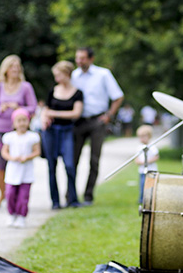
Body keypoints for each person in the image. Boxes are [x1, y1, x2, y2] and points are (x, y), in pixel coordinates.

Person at [71, 47, 124, 206]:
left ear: (91, 59)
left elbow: (118, 96)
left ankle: (88, 196)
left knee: (94, 160)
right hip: (78, 121)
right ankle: (71, 195)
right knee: (72, 159)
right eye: (77, 58)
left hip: (97, 121)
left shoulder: (103, 74)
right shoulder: (74, 75)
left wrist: (109, 115)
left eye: (82, 58)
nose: (79, 61)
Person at [0, 55, 38, 208]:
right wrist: (0, 109)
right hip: (0, 130)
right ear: (6, 70)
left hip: (19, 131)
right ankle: (4, 193)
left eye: (17, 66)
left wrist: (19, 108)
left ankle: (17, 195)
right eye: (12, 66)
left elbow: (33, 107)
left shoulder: (26, 87)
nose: (15, 69)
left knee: (17, 162)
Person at [39, 61, 84, 209]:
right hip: (51, 131)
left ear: (67, 74)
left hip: (67, 131)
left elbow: (76, 113)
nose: (56, 78)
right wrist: (44, 118)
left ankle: (73, 199)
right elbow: (45, 110)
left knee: (69, 165)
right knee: (52, 166)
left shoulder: (77, 93)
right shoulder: (53, 91)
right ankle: (55, 202)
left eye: (58, 75)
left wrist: (54, 113)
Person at [1, 108, 41, 228]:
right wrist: (12, 158)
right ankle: (11, 213)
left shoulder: (33, 137)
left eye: (24, 120)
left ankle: (21, 215)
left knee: (23, 196)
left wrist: (27, 157)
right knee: (10, 194)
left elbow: (37, 151)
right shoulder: (9, 137)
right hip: (13, 171)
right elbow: (4, 152)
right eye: (19, 121)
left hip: (26, 171)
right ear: (14, 123)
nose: (22, 123)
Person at [134, 124, 159, 205]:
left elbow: (156, 156)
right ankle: (141, 199)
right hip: (142, 171)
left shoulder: (152, 147)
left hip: (151, 170)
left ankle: (151, 199)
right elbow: (136, 159)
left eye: (144, 136)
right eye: (140, 137)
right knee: (142, 185)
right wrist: (140, 162)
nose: (142, 139)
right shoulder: (139, 147)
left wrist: (147, 161)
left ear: (149, 136)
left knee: (151, 186)